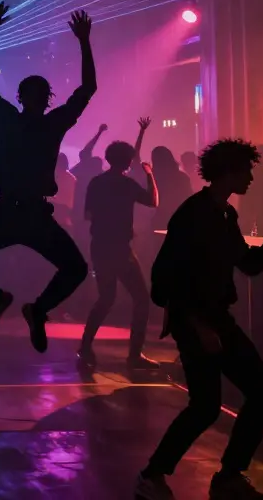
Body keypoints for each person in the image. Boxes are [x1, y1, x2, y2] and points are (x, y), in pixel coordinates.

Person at [139, 139, 263, 500]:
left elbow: (248, 264)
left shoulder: (224, 214)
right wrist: (198, 326)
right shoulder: (194, 215)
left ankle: (226, 475)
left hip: (214, 318)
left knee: (259, 395)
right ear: (229, 172)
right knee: (210, 405)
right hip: (196, 321)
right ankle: (154, 475)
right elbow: (167, 278)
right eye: (247, 171)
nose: (252, 178)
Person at [0, 3, 95, 353]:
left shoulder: (30, 121)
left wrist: (85, 43)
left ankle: (35, 308)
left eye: (40, 94)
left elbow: (88, 89)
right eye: (36, 93)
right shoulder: (20, 120)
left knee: (76, 268)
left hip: (30, 215)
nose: (38, 98)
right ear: (33, 98)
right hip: (14, 214)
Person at [78, 140, 159, 370]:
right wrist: (150, 175)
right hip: (120, 248)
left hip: (100, 245)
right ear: (128, 161)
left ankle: (85, 346)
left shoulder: (96, 182)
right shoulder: (127, 184)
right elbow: (153, 201)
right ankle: (134, 355)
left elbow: (88, 214)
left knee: (106, 298)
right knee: (141, 299)